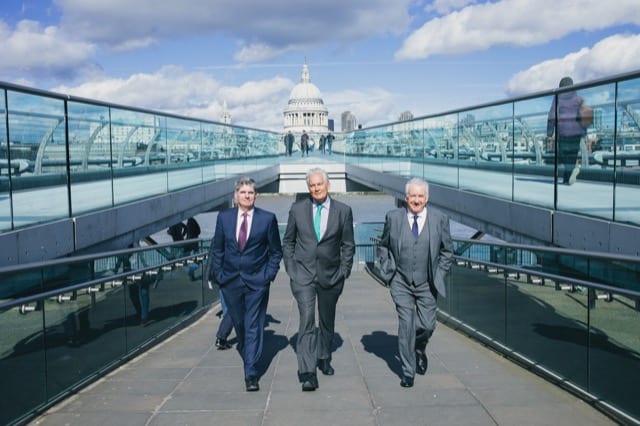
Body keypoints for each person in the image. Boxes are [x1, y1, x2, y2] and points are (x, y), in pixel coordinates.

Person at [283, 167, 355, 392]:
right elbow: (288, 242)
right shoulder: (297, 209)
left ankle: (324, 355)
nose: (316, 188)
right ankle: (307, 372)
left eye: (319, 184)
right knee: (306, 319)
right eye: (312, 185)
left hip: (331, 276)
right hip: (302, 275)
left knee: (326, 321)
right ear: (308, 188)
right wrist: (291, 269)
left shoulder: (343, 211)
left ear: (328, 185)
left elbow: (348, 245)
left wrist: (344, 271)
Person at [207, 176, 282, 392]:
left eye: (250, 192)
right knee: (239, 323)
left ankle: (251, 372)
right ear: (236, 196)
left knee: (254, 325)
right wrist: (220, 275)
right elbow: (218, 249)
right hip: (230, 281)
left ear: (255, 196)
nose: (247, 196)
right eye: (243, 192)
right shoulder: (224, 217)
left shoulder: (267, 219)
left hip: (257, 282)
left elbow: (276, 251)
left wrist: (268, 275)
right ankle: (246, 347)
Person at [377, 177, 453, 388]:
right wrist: (386, 268)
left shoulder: (440, 219)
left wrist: (440, 273)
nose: (416, 200)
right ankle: (408, 372)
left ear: (426, 198)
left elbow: (447, 250)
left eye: (421, 196)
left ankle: (420, 346)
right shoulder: (393, 218)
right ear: (406, 197)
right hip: (400, 281)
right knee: (406, 325)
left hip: (427, 282)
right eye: (413, 196)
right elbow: (383, 246)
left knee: (427, 325)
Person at [547, 76, 590, 185]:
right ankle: (567, 179)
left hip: (563, 130)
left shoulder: (557, 96)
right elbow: (583, 115)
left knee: (564, 154)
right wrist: (584, 131)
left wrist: (549, 131)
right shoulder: (577, 97)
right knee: (572, 155)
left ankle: (572, 172)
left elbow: (552, 114)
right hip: (576, 131)